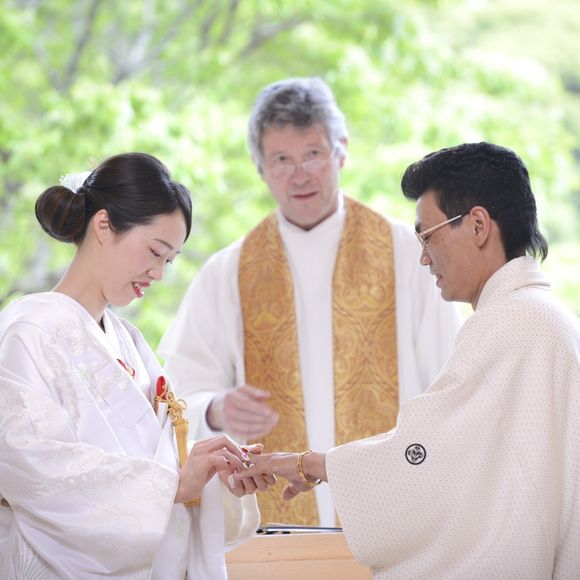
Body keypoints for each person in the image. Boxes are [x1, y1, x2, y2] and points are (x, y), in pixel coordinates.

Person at [240, 142, 580, 578]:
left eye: (428, 235)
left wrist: (312, 464)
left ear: (478, 225)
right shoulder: (539, 317)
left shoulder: (511, 323)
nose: (423, 256)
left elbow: (427, 458)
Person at [159, 77, 462, 526]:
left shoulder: (409, 254)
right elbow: (180, 396)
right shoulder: (228, 272)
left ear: (342, 151)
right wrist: (217, 409)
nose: (299, 174)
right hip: (276, 533)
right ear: (260, 167)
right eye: (281, 159)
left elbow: (449, 384)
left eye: (313, 154)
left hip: (396, 517)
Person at [0, 153, 265, 580]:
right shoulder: (29, 329)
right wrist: (171, 487)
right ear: (104, 225)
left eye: (169, 260)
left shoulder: (130, 341)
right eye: (155, 252)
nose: (158, 273)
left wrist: (215, 473)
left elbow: (167, 460)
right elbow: (31, 467)